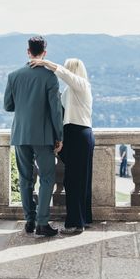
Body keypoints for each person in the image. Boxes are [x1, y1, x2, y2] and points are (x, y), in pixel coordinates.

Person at [4, 36, 63, 237]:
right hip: (43, 136)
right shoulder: (49, 77)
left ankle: (29, 220)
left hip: (20, 134)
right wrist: (59, 136)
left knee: (25, 178)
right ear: (44, 53)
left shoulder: (13, 76)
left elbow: (8, 106)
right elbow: (56, 111)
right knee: (47, 178)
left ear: (28, 51)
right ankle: (42, 222)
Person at [30, 57, 94, 234]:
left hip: (79, 135)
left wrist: (45, 63)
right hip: (75, 135)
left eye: (66, 68)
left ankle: (75, 223)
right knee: (79, 179)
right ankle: (84, 218)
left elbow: (65, 75)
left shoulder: (82, 86)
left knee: (74, 180)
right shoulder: (70, 91)